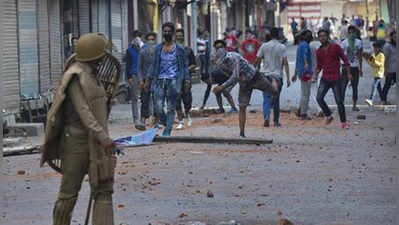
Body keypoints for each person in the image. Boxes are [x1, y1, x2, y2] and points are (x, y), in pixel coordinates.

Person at [41, 33, 117, 225]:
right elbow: (85, 113)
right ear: (93, 55)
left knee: (103, 189)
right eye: (101, 54)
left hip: (97, 142)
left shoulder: (93, 75)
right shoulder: (75, 76)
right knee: (69, 194)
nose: (103, 58)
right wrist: (103, 137)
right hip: (77, 143)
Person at [212, 48, 279, 138]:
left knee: (274, 92)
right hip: (244, 83)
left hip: (255, 77)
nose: (222, 64)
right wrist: (228, 88)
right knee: (242, 106)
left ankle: (273, 80)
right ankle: (242, 133)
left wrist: (222, 87)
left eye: (223, 61)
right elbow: (233, 78)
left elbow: (235, 76)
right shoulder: (221, 66)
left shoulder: (234, 57)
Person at [148, 22, 190, 136]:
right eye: (165, 31)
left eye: (169, 31)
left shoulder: (179, 49)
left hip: (173, 81)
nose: (166, 33)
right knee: (158, 107)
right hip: (159, 80)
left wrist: (186, 80)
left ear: (173, 33)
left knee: (171, 107)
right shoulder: (158, 48)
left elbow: (184, 66)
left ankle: (167, 131)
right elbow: (153, 64)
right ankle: (168, 123)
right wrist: (148, 79)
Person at [314, 29, 351, 129]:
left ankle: (344, 122)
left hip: (336, 78)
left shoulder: (335, 47)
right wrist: (315, 76)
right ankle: (328, 115)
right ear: (318, 38)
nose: (322, 38)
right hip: (325, 78)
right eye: (320, 36)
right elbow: (319, 66)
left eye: (324, 36)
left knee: (339, 101)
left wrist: (348, 74)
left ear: (328, 36)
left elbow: (345, 60)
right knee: (319, 98)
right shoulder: (319, 51)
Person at [255, 27, 291, 127]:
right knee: (276, 99)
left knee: (266, 98)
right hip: (277, 76)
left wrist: (255, 71)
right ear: (279, 35)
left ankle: (266, 117)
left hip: (265, 76)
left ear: (270, 35)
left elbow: (257, 60)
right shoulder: (282, 47)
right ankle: (275, 121)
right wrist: (288, 78)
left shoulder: (264, 46)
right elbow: (285, 63)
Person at [200, 40, 238, 113]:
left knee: (225, 91)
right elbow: (208, 89)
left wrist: (222, 86)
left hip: (233, 76)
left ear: (225, 48)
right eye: (217, 48)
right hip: (225, 77)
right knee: (217, 91)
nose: (220, 50)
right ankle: (221, 109)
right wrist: (203, 104)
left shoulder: (228, 56)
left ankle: (234, 108)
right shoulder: (214, 64)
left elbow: (232, 76)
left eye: (221, 47)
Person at [175, 28, 196, 130]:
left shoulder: (188, 50)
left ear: (184, 37)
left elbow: (194, 64)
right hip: (175, 79)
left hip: (186, 79)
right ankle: (180, 121)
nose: (179, 37)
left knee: (187, 98)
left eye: (181, 36)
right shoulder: (171, 50)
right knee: (176, 99)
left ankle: (187, 114)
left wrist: (186, 69)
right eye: (177, 36)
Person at [124, 30, 146, 130]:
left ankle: (144, 118)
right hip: (133, 75)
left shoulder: (145, 48)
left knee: (145, 97)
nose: (137, 39)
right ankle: (136, 119)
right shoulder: (130, 50)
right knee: (134, 98)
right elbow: (128, 64)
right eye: (136, 36)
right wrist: (128, 77)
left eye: (139, 36)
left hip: (143, 75)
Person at [292, 30, 314, 120]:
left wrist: (295, 74)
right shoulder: (305, 45)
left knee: (304, 92)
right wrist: (306, 65)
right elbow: (305, 56)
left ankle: (300, 110)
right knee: (306, 93)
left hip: (301, 72)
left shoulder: (300, 45)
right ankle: (303, 114)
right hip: (306, 72)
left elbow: (297, 61)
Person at [340, 25, 363, 111]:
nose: (351, 33)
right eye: (350, 32)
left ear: (356, 32)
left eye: (353, 32)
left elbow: (360, 56)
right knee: (343, 87)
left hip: (355, 67)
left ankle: (354, 105)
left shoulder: (359, 42)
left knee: (355, 87)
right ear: (347, 32)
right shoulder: (344, 43)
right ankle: (341, 104)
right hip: (345, 67)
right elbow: (341, 55)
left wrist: (361, 69)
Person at [137, 32, 158, 128]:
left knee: (157, 100)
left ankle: (156, 120)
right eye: (149, 39)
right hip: (145, 80)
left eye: (152, 39)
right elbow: (139, 68)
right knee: (144, 100)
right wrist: (140, 80)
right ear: (146, 41)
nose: (151, 41)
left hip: (156, 79)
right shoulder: (142, 52)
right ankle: (142, 120)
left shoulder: (159, 52)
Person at [363, 41, 385, 106]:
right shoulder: (373, 55)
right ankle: (383, 99)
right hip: (375, 73)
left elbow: (379, 64)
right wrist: (367, 59)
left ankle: (371, 100)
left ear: (379, 48)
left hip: (379, 73)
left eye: (377, 48)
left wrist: (373, 59)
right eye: (374, 47)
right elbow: (372, 65)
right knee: (379, 88)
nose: (375, 49)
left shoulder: (381, 55)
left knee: (374, 86)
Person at [381, 30, 396, 105]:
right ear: (391, 37)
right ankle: (383, 100)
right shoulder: (387, 46)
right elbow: (385, 59)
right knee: (387, 85)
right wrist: (385, 69)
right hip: (390, 70)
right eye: (394, 37)